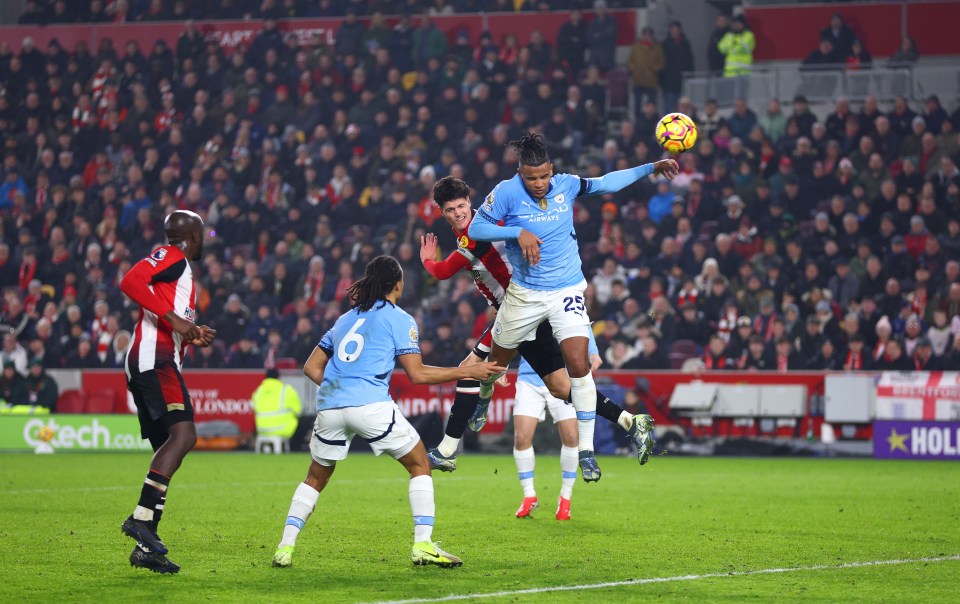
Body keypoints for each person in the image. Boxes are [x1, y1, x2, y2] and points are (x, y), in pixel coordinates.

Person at [467, 133, 678, 481]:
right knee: (496, 366)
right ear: (520, 173)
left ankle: (587, 452)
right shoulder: (505, 191)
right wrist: (515, 232)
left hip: (567, 290)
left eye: (543, 176)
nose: (538, 184)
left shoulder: (567, 184)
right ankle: (484, 397)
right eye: (530, 178)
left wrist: (651, 168)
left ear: (551, 169)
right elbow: (476, 227)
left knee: (579, 368)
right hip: (525, 295)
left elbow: (608, 183)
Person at [271, 256, 503, 569]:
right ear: (398, 284)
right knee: (421, 463)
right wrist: (469, 371)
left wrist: (343, 387)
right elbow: (417, 374)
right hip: (371, 406)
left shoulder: (344, 320)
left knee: (314, 477)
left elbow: (311, 367)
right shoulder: (400, 318)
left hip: (330, 407)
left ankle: (285, 548)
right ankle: (423, 545)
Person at [419, 176, 655, 472]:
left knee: (471, 371)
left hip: (520, 310)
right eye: (451, 209)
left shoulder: (477, 233)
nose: (459, 213)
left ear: (471, 202)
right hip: (523, 313)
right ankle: (630, 421)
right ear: (442, 212)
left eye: (462, 205)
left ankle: (449, 447)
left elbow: (442, 271)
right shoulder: (480, 229)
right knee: (560, 387)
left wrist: (427, 261)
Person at [119, 210, 217, 575]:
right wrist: (177, 321)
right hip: (154, 358)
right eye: (203, 234)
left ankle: (147, 547)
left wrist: (190, 332)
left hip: (157, 357)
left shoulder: (181, 273)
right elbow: (130, 281)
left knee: (166, 451)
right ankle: (140, 520)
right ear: (193, 235)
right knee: (184, 435)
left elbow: (169, 314)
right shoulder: (171, 256)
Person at [510, 333, 599, 522]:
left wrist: (593, 351)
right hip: (529, 377)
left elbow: (576, 316)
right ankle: (529, 495)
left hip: (562, 374)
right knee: (521, 438)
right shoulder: (526, 303)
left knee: (571, 437)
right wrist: (500, 365)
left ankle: (565, 498)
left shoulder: (558, 303)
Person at [251, 368, 303, 446]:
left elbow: (254, 410)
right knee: (305, 421)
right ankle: (295, 448)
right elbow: (299, 412)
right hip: (283, 429)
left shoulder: (258, 391)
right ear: (279, 377)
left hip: (262, 429)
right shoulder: (287, 390)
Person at [626, 27, 664, 116]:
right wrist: (634, 69)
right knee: (637, 104)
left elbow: (661, 62)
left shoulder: (657, 47)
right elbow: (630, 60)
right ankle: (638, 122)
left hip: (651, 81)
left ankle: (651, 121)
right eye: (645, 35)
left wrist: (653, 69)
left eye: (649, 35)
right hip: (638, 80)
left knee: (652, 104)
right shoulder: (636, 46)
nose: (647, 37)